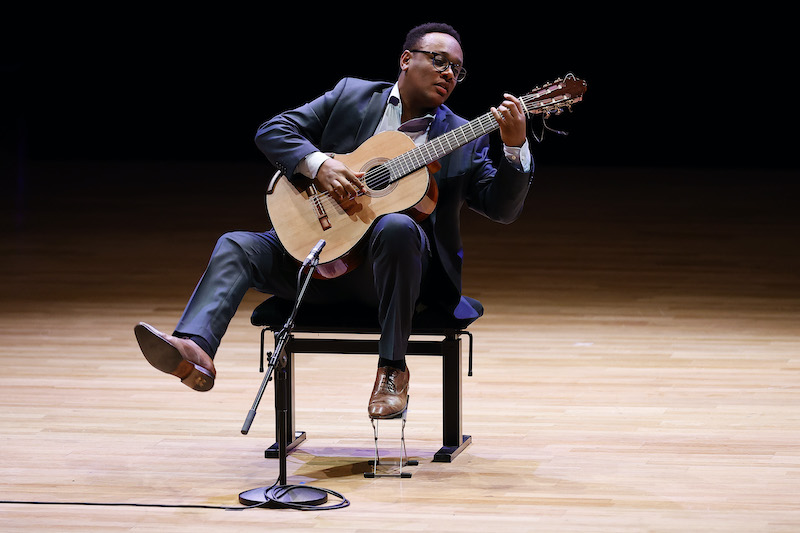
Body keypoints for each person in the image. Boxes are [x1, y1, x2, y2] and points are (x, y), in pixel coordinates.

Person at [134, 22, 533, 420]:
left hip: (390, 283)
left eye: (458, 70)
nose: (449, 73)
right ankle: (194, 349)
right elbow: (274, 130)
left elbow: (502, 208)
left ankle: (392, 371)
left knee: (395, 226)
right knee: (236, 245)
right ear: (406, 59)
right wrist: (320, 165)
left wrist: (514, 148)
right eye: (439, 60)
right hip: (316, 263)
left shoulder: (464, 135)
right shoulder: (351, 95)